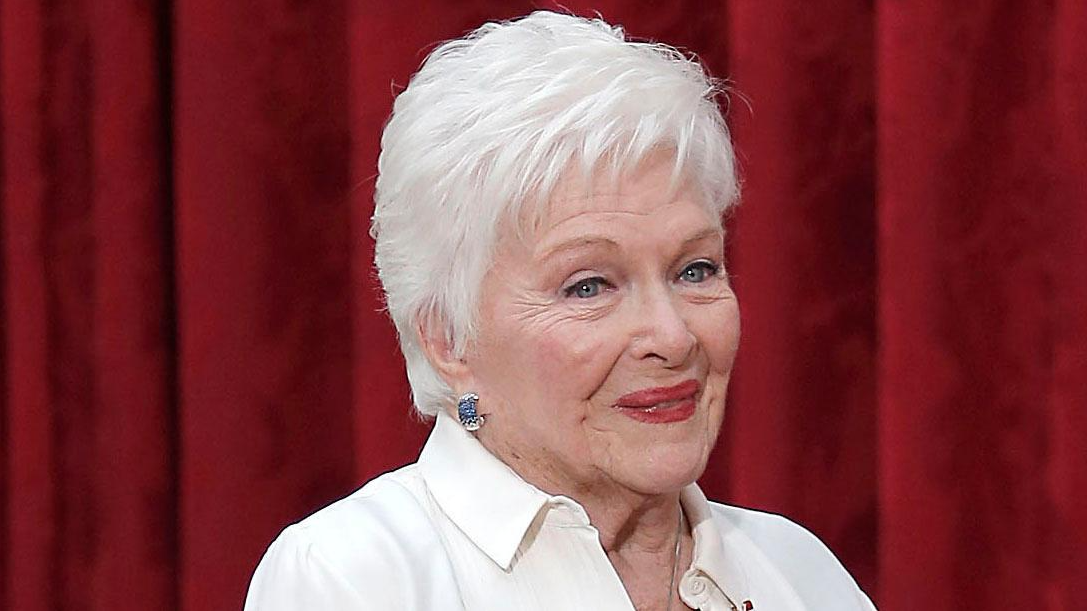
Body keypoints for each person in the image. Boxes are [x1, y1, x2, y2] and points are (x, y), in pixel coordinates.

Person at [244, 11, 876, 611]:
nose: (672, 336)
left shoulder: (797, 572)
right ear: (449, 339)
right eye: (589, 286)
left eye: (695, 270)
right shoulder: (355, 578)